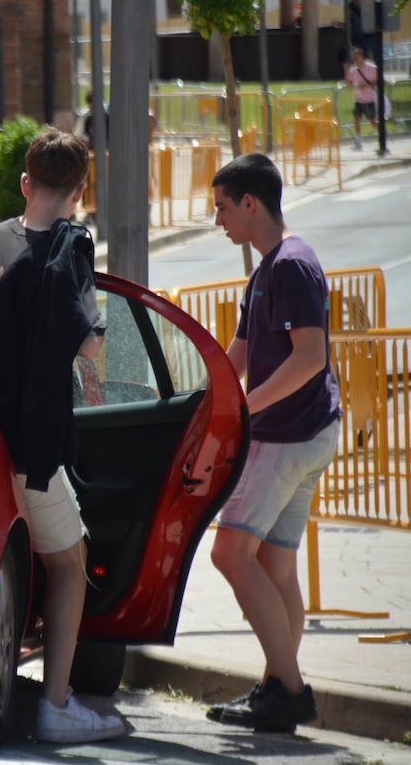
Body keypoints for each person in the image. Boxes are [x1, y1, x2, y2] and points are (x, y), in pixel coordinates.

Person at [0, 129, 126, 744]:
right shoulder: (71, 249)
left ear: (25, 183)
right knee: (69, 563)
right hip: (32, 448)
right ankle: (55, 705)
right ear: (80, 190)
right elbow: (91, 341)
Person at [205, 152, 341, 734]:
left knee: (229, 554)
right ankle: (273, 686)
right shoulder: (267, 269)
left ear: (250, 203)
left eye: (222, 208)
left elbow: (310, 358)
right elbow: (238, 355)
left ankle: (288, 689)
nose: (218, 221)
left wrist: (242, 408)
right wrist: (202, 396)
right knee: (275, 568)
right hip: (303, 435)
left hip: (288, 437)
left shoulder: (290, 266)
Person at [343, 47, 379, 150]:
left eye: (356, 55)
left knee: (372, 121)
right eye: (353, 56)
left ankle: (383, 136)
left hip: (369, 99)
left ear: (361, 56)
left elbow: (379, 80)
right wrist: (345, 70)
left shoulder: (372, 67)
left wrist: (366, 86)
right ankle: (358, 141)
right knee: (356, 119)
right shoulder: (353, 69)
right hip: (358, 99)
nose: (354, 58)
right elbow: (348, 84)